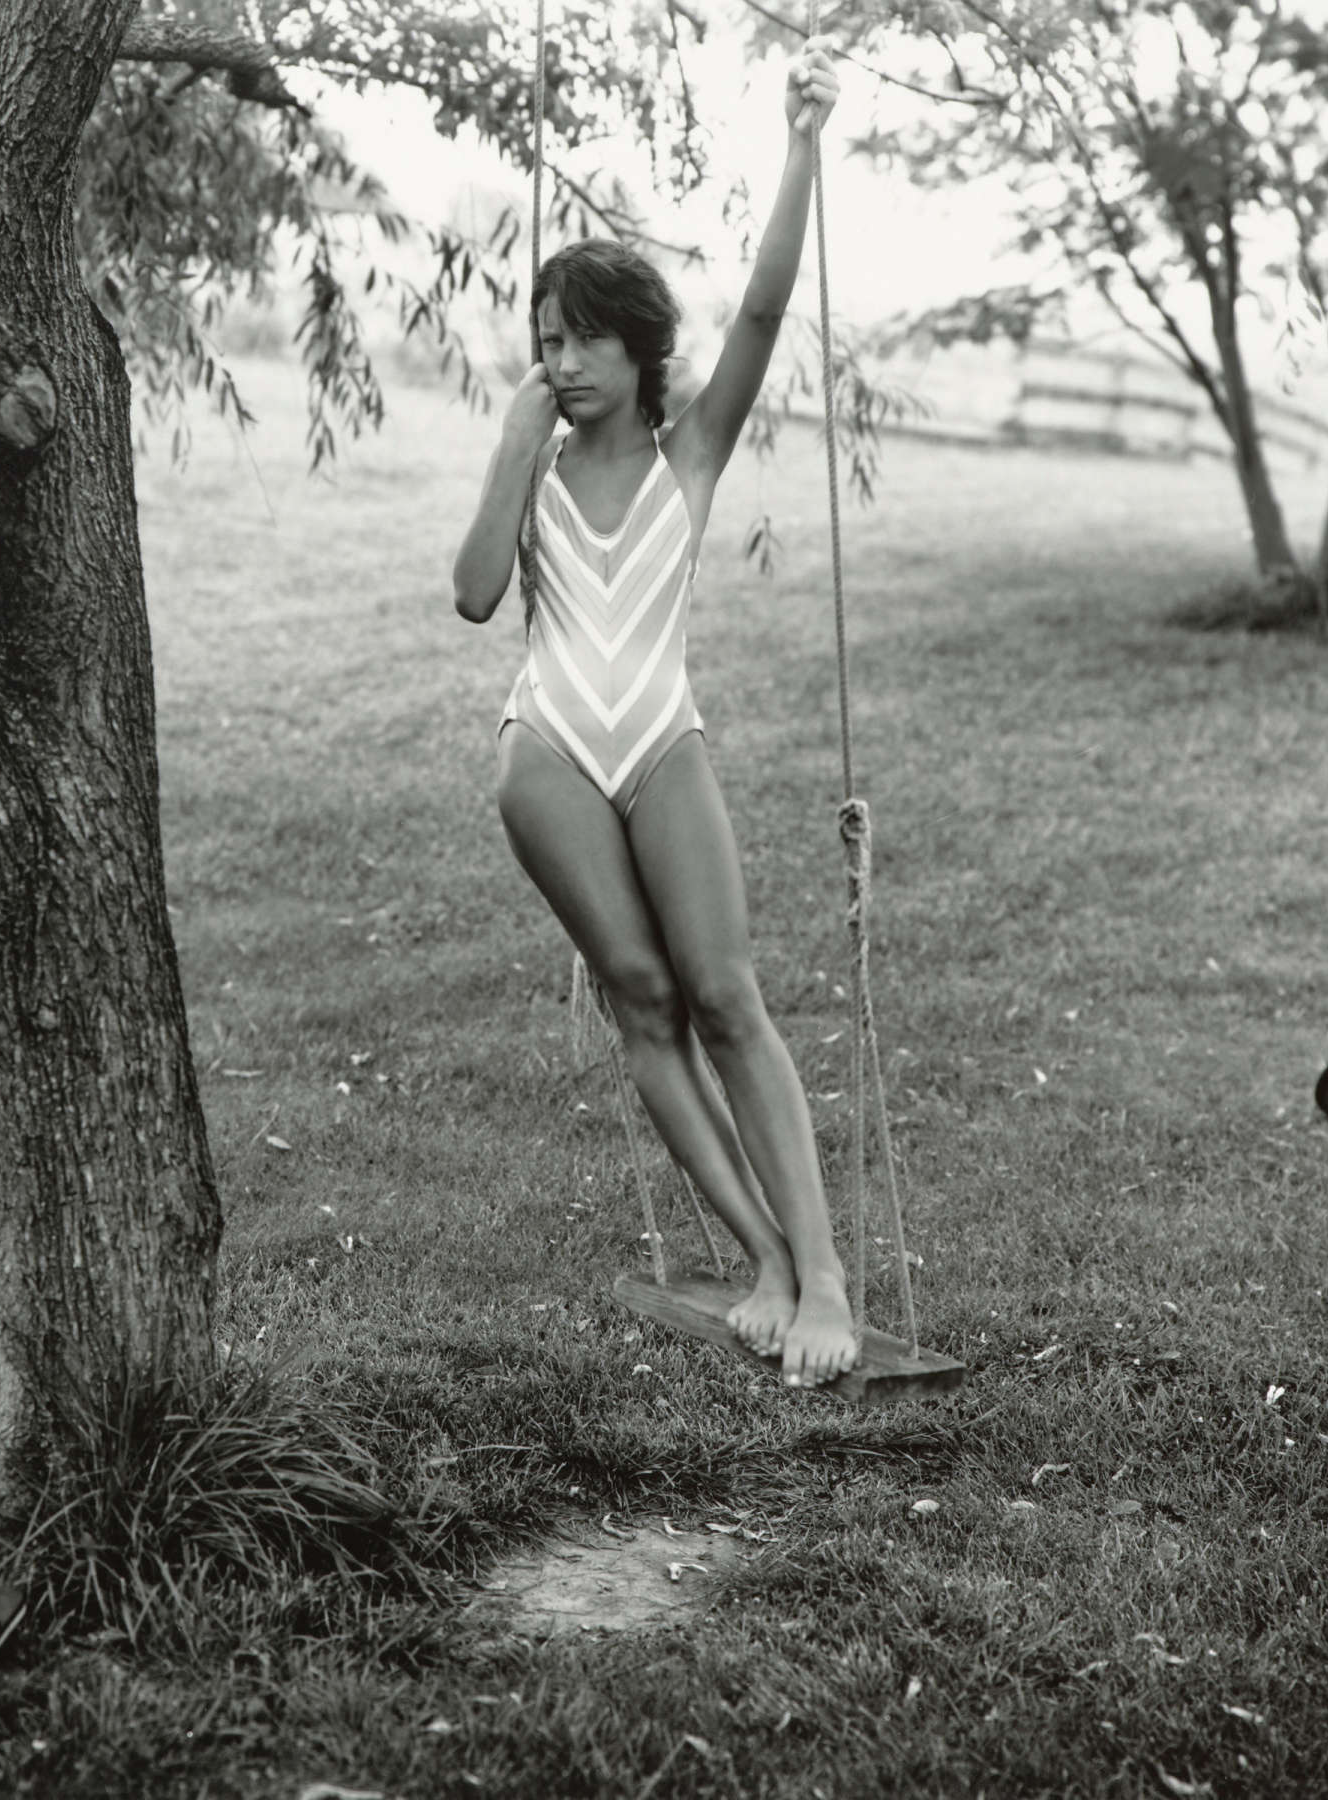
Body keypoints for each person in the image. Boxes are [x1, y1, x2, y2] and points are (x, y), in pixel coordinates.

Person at [451, 39, 861, 1388]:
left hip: (660, 739)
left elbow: (756, 314)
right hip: (550, 748)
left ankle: (823, 1276)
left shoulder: (691, 453)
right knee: (639, 995)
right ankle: (755, 1257)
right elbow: (471, 596)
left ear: (635, 347)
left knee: (725, 993)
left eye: (575, 341)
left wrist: (800, 145)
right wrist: (513, 446)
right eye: (540, 345)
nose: (555, 363)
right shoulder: (538, 456)